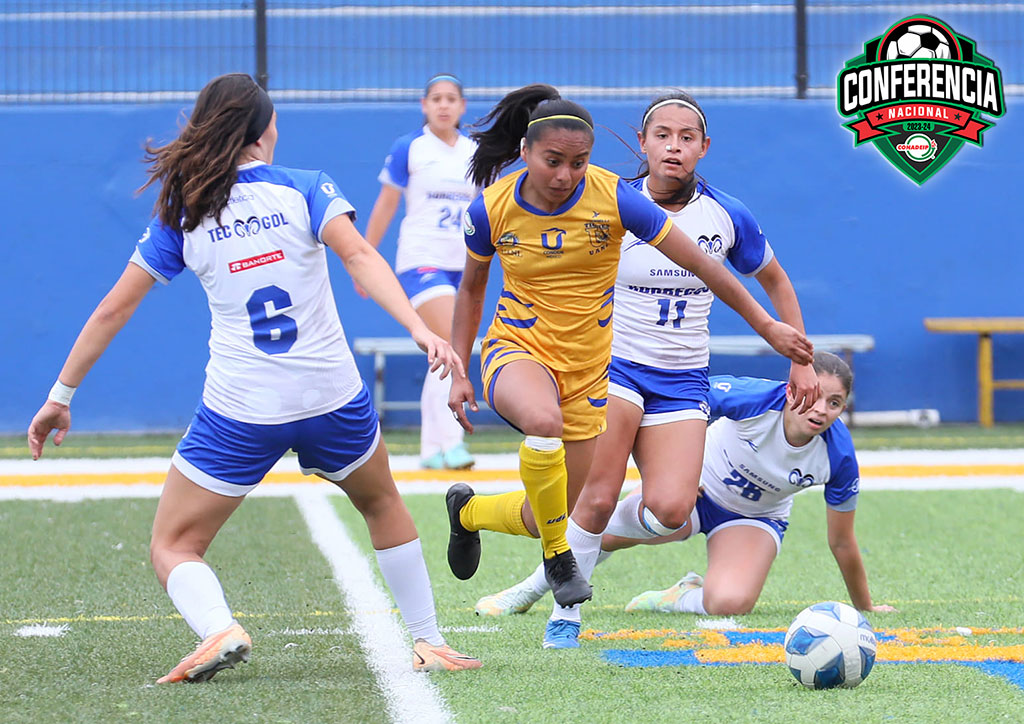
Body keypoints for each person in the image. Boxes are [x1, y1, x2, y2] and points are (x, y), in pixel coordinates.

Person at [26, 73, 481, 682]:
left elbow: (114, 308)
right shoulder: (305, 187)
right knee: (381, 504)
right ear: (265, 129)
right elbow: (361, 257)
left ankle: (219, 627)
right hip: (332, 396)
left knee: (173, 545)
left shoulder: (185, 211)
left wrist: (60, 396)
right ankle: (429, 641)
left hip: (244, 408)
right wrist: (420, 331)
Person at [442, 84, 814, 646]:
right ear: (641, 141)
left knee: (665, 509)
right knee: (589, 489)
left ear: (704, 147)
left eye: (686, 137)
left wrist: (782, 340)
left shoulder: (698, 212)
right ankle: (560, 605)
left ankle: (476, 517)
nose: (673, 147)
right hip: (608, 365)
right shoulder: (541, 202)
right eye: (662, 135)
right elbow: (471, 288)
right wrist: (461, 364)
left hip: (677, 376)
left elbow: (750, 275)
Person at [476, 352, 897, 618]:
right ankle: (526, 591)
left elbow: (842, 542)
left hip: (754, 518)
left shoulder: (838, 457)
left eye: (835, 403)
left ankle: (677, 597)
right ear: (792, 389)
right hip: (692, 492)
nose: (821, 409)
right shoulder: (752, 398)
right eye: (814, 394)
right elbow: (671, 410)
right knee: (601, 527)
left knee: (730, 604)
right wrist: (676, 473)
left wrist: (865, 606)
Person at [361, 73, 478, 470]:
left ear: (462, 107)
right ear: (424, 105)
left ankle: (431, 449)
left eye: (451, 99)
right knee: (451, 342)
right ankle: (454, 442)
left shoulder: (473, 152)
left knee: (443, 352)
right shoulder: (409, 148)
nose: (443, 105)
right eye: (436, 99)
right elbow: (386, 204)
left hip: (463, 266)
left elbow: (487, 210)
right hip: (421, 262)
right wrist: (364, 260)